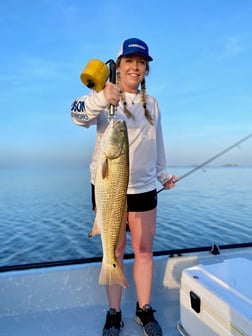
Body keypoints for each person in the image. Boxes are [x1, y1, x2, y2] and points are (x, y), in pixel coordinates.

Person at [71, 37, 178, 336]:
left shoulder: (152, 104)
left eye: (141, 62)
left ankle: (144, 311)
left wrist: (163, 175)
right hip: (108, 185)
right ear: (118, 66)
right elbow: (76, 115)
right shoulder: (104, 96)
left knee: (144, 250)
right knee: (114, 251)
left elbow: (157, 145)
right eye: (129, 61)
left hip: (143, 187)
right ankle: (114, 313)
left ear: (146, 69)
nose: (135, 67)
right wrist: (102, 97)